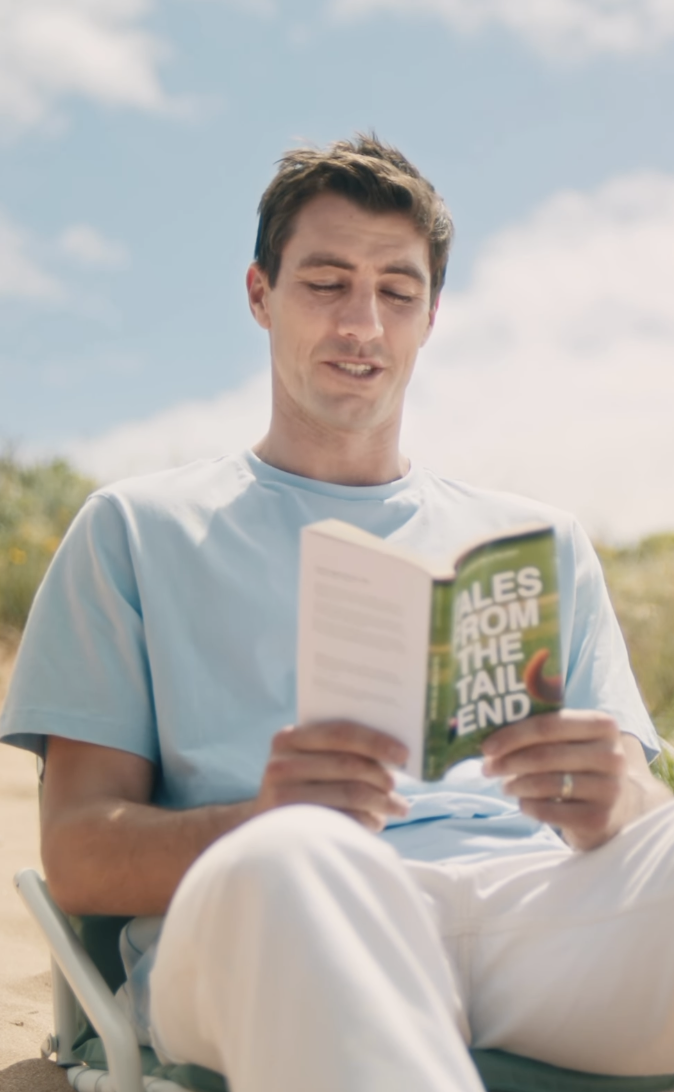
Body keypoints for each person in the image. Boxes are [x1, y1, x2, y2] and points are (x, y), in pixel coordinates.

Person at [1, 134, 673, 1092]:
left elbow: (637, 833)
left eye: (397, 291)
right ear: (259, 295)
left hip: (534, 914)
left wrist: (627, 800)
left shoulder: (543, 541)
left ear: (431, 317)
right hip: (282, 910)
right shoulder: (137, 530)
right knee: (301, 857)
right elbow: (76, 857)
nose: (363, 322)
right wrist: (263, 818)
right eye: (325, 282)